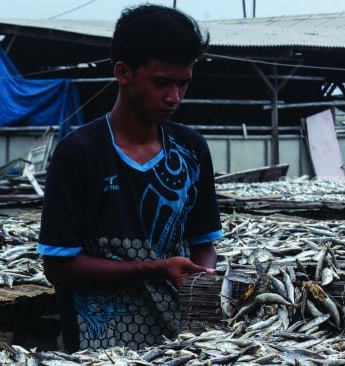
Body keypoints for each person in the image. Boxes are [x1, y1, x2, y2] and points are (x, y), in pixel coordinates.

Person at [37, 4, 223, 352]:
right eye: (162, 83)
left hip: (181, 341)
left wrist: (203, 280)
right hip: (101, 340)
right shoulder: (79, 153)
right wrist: (153, 268)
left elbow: (203, 241)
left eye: (183, 84)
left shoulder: (191, 149)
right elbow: (59, 265)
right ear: (123, 72)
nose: (174, 97)